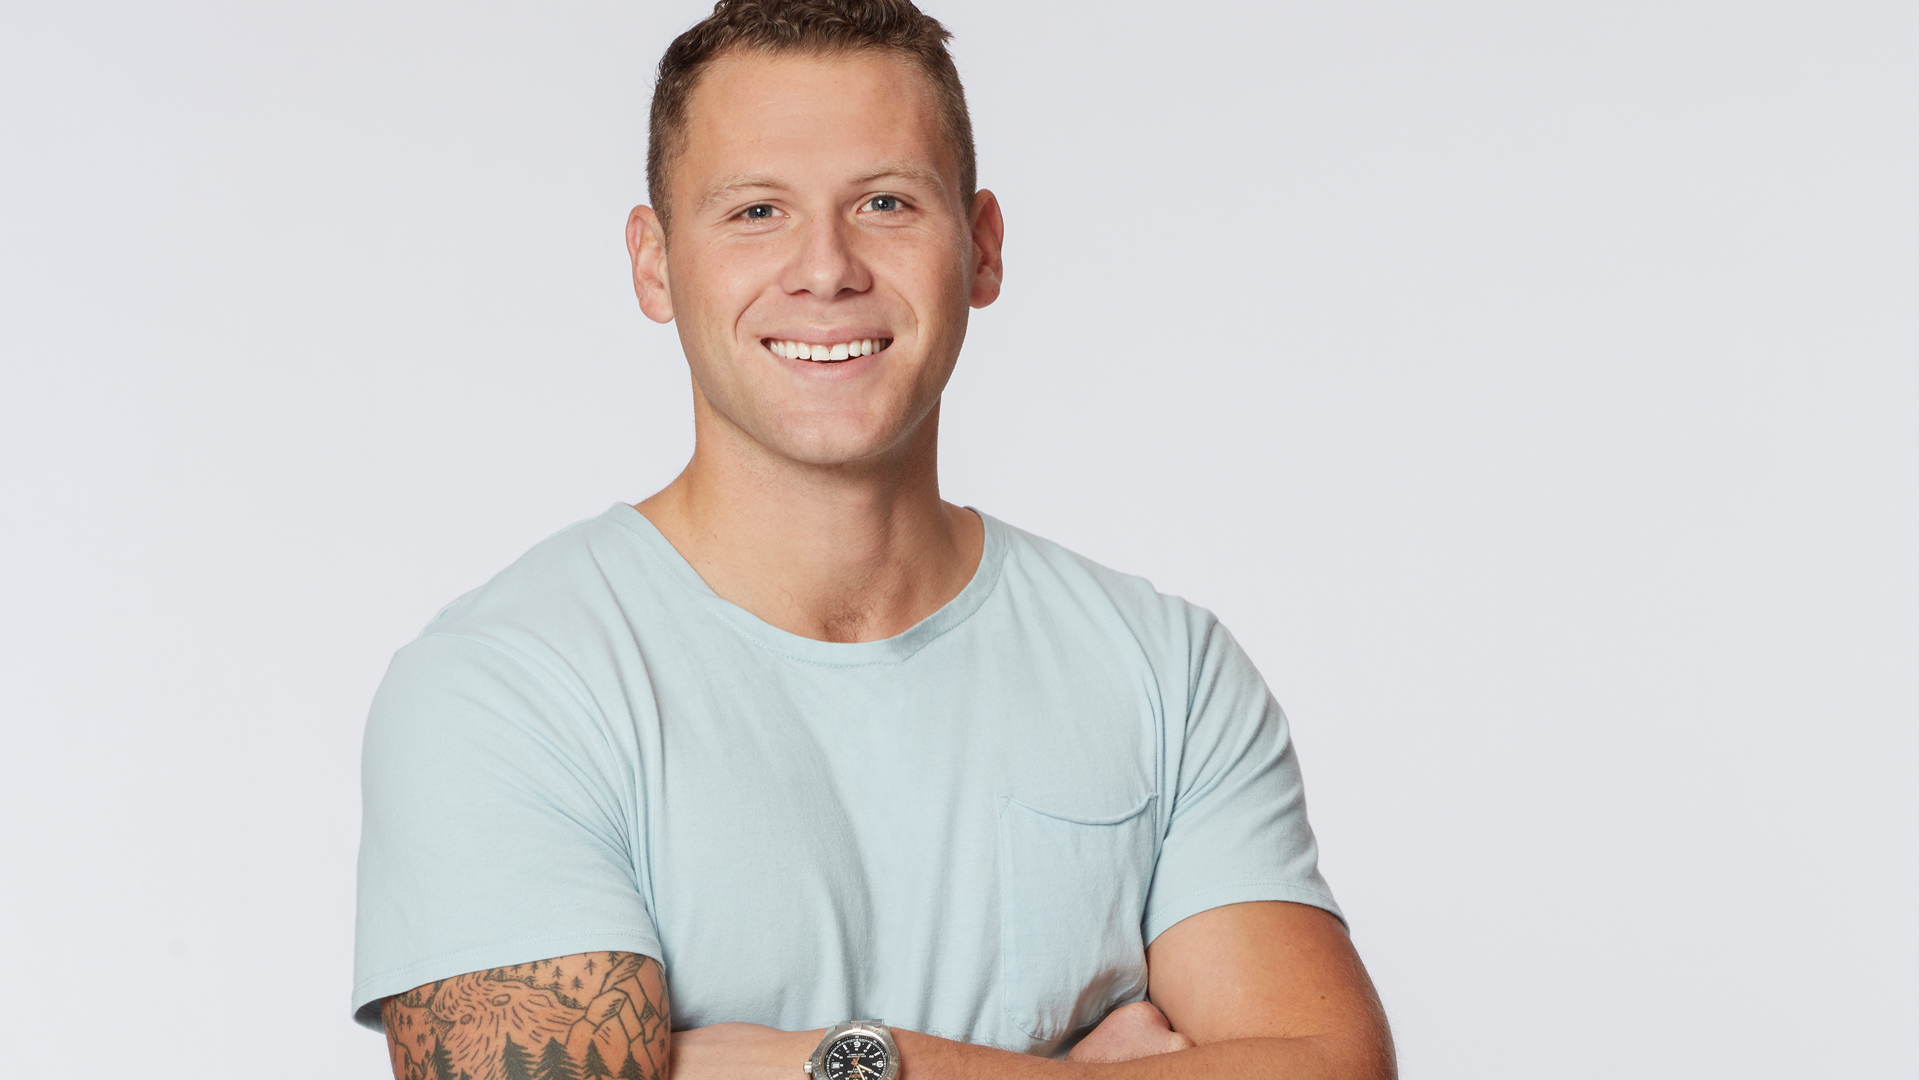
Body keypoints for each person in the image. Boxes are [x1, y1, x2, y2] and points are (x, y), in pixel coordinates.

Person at [352, 1, 1395, 1078]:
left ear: (981, 248)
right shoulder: (504, 686)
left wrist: (838, 1062)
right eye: (757, 211)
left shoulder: (1165, 672)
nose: (825, 269)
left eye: (886, 203)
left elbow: (1333, 1069)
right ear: (654, 264)